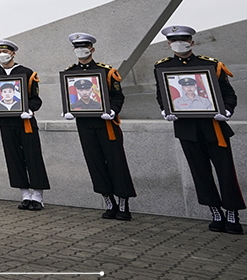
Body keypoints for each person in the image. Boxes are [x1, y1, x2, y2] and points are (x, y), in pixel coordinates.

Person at [155, 25, 243, 234]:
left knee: (226, 172)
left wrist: (227, 111)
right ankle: (215, 211)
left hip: (213, 127)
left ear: (192, 42)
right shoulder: (161, 67)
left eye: (184, 39)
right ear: (169, 44)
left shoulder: (210, 65)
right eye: (174, 40)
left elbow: (229, 95)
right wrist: (165, 110)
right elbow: (162, 94)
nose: (179, 44)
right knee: (200, 172)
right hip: (187, 129)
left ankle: (232, 212)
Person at [62, 32, 135, 221]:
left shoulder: (107, 71)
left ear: (92, 49)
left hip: (106, 124)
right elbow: (70, 97)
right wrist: (68, 110)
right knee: (95, 163)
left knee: (116, 162)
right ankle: (108, 200)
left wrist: (112, 110)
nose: (81, 51)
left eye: (84, 47)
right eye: (77, 48)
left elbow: (118, 96)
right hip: (85, 124)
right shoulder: (70, 73)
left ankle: (123, 203)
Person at [0, 40, 49, 211]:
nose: (2, 55)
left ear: (13, 53)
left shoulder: (26, 72)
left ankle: (38, 196)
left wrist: (30, 109)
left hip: (25, 121)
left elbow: (36, 98)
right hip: (6, 122)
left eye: (5, 51)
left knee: (32, 157)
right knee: (14, 158)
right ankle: (25, 195)